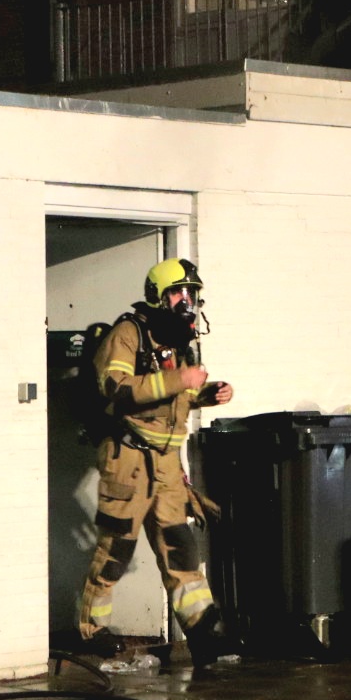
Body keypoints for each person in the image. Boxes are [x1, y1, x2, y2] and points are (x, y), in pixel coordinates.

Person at [77, 258, 236, 667]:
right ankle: (93, 631)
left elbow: (176, 398)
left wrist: (208, 393)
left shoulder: (179, 341)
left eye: (193, 294)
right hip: (127, 459)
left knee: (180, 548)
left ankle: (203, 632)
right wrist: (179, 381)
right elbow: (117, 388)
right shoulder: (127, 334)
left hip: (166, 465)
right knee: (117, 548)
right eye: (180, 293)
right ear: (159, 296)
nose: (188, 302)